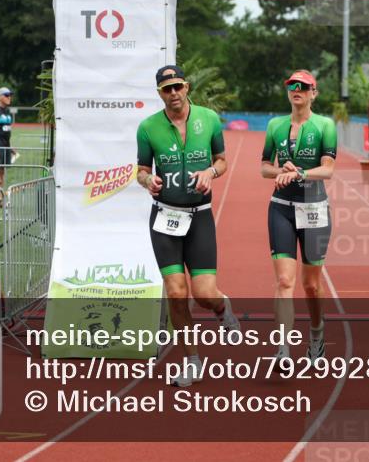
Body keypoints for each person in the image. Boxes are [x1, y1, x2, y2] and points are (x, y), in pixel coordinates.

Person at [136, 65, 240, 387]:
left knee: (205, 293)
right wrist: (147, 181)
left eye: (178, 87)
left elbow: (222, 160)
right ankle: (191, 361)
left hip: (200, 217)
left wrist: (211, 172)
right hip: (165, 217)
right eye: (167, 89)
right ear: (160, 93)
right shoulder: (148, 127)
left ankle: (223, 309)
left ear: (187, 86)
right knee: (177, 293)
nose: (174, 94)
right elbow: (141, 169)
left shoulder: (208, 119)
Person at [261, 70, 337, 363]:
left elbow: (328, 170)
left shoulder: (325, 126)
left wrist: (300, 172)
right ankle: (283, 349)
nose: (297, 90)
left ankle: (316, 332)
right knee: (283, 281)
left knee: (312, 285)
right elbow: (265, 167)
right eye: (292, 85)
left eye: (304, 87)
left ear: (313, 93)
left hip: (314, 209)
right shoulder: (275, 126)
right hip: (281, 207)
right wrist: (281, 171)